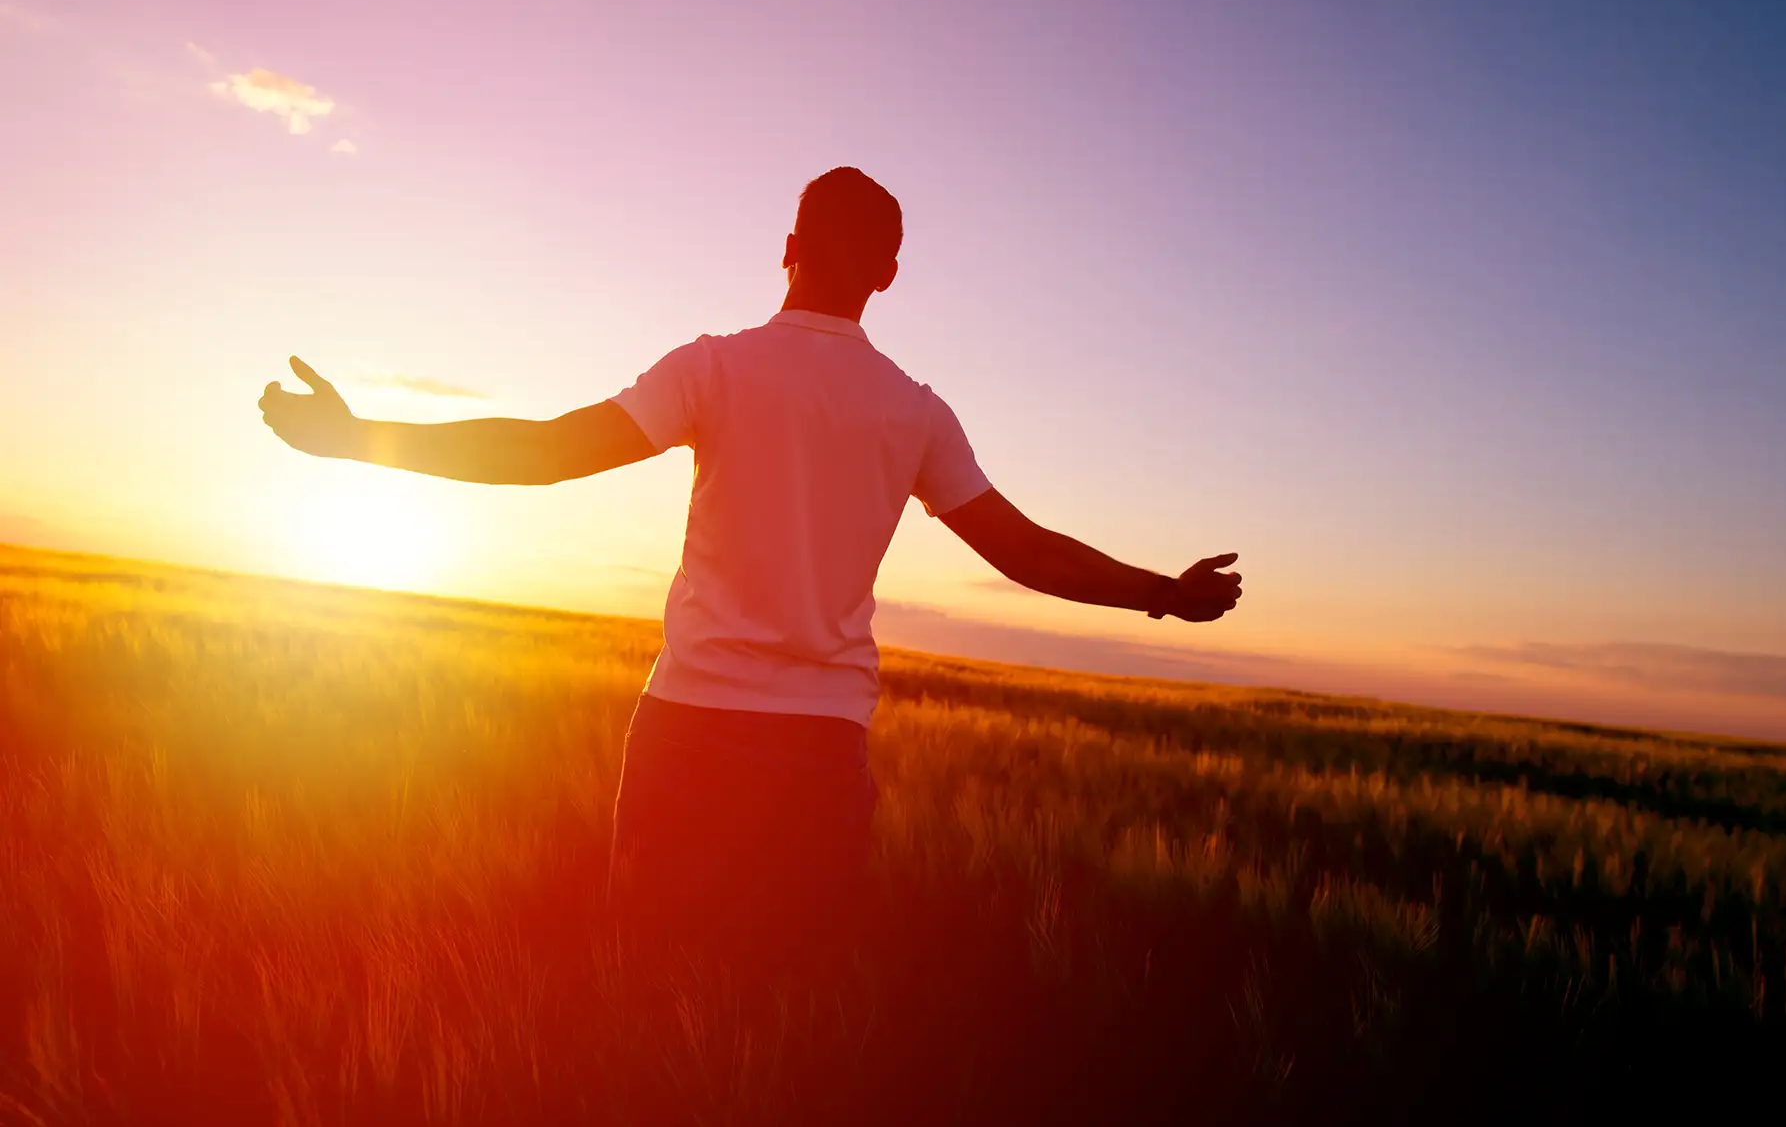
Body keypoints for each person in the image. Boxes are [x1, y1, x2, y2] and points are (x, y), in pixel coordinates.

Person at [259, 166, 1244, 963]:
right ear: (887, 275)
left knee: (645, 990)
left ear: (786, 250)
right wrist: (1161, 593)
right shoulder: (914, 411)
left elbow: (547, 450)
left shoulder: (712, 367)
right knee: (792, 1005)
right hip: (818, 750)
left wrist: (358, 440)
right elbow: (1021, 549)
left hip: (686, 727)